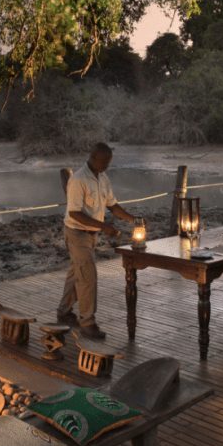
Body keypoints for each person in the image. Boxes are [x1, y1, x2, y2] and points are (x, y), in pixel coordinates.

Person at [59, 142, 135, 340]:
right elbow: (75, 213)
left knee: (77, 273)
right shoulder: (77, 180)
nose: (107, 166)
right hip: (76, 234)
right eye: (104, 162)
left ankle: (64, 312)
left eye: (109, 162)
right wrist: (104, 227)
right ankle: (87, 323)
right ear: (93, 158)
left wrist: (132, 219)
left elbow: (112, 205)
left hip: (91, 235)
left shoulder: (103, 177)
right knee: (88, 277)